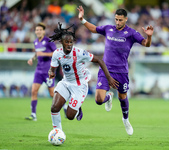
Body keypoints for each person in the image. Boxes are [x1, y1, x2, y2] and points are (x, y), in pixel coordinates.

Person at [77, 6, 154, 135]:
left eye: (120, 20)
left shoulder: (131, 33)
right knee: (98, 100)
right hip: (106, 70)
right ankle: (108, 97)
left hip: (121, 72)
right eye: (116, 19)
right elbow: (94, 29)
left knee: (123, 96)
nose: (117, 22)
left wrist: (149, 37)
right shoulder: (108, 28)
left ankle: (125, 120)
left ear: (126, 19)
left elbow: (146, 43)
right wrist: (82, 19)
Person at [48, 22, 118, 130]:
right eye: (67, 42)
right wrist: (51, 72)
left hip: (79, 85)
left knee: (70, 116)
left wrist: (109, 78)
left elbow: (99, 60)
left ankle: (80, 107)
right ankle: (57, 131)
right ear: (61, 42)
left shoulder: (79, 53)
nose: (69, 44)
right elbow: (52, 68)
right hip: (66, 82)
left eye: (71, 42)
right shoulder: (57, 53)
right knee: (54, 108)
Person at [25, 23, 57, 121]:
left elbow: (56, 52)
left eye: (40, 30)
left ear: (43, 31)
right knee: (34, 91)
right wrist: (32, 58)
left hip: (48, 70)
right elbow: (37, 53)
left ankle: (63, 105)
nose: (38, 31)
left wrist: (44, 53)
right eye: (36, 30)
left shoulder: (48, 41)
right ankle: (33, 114)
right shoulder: (35, 42)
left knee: (52, 93)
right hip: (38, 70)